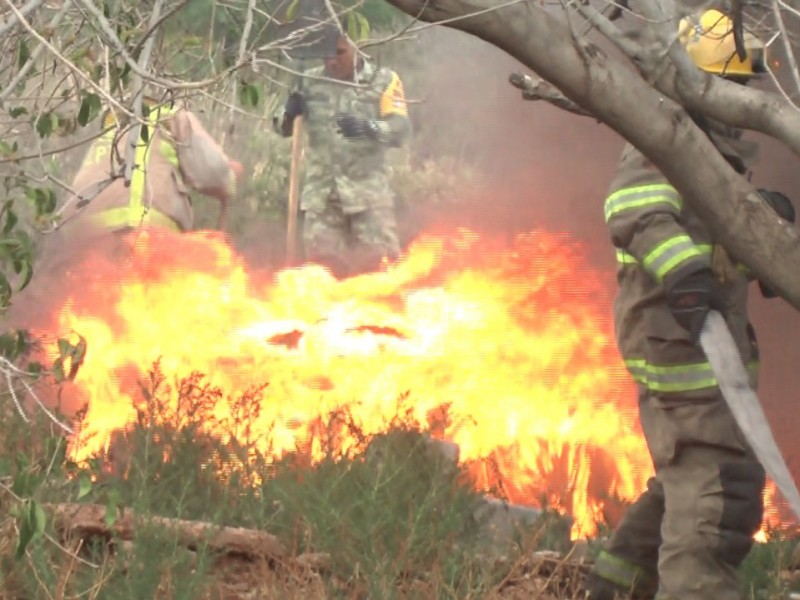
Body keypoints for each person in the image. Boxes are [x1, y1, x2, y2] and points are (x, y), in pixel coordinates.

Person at [585, 9, 794, 600]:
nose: (744, 96)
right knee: (714, 504)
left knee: (686, 484)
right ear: (703, 84)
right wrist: (686, 274)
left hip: (697, 367)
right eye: (734, 83)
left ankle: (616, 586)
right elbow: (634, 207)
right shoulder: (664, 141)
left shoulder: (708, 154)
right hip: (686, 364)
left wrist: (762, 219)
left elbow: (712, 226)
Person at [5, 97, 243, 332]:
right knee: (159, 324)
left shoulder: (110, 132)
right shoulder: (169, 114)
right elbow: (212, 171)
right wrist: (229, 176)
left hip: (81, 243)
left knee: (96, 324)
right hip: (139, 231)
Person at [276, 30, 411, 278]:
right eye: (325, 54)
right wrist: (287, 113)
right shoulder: (307, 82)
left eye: (339, 53)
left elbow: (400, 131)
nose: (331, 61)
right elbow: (281, 127)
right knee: (322, 276)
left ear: (356, 46)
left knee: (381, 273)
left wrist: (368, 128)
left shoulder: (383, 81)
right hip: (322, 199)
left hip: (368, 198)